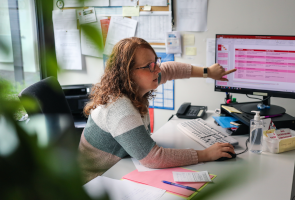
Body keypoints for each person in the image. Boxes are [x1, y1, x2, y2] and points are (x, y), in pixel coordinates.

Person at [78, 37, 237, 183]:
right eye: (150, 66)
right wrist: (206, 154)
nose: (158, 70)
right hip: (95, 183)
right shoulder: (119, 108)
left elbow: (171, 69)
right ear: (128, 73)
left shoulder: (134, 85)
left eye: (155, 62)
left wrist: (207, 72)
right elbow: (153, 158)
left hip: (120, 169)